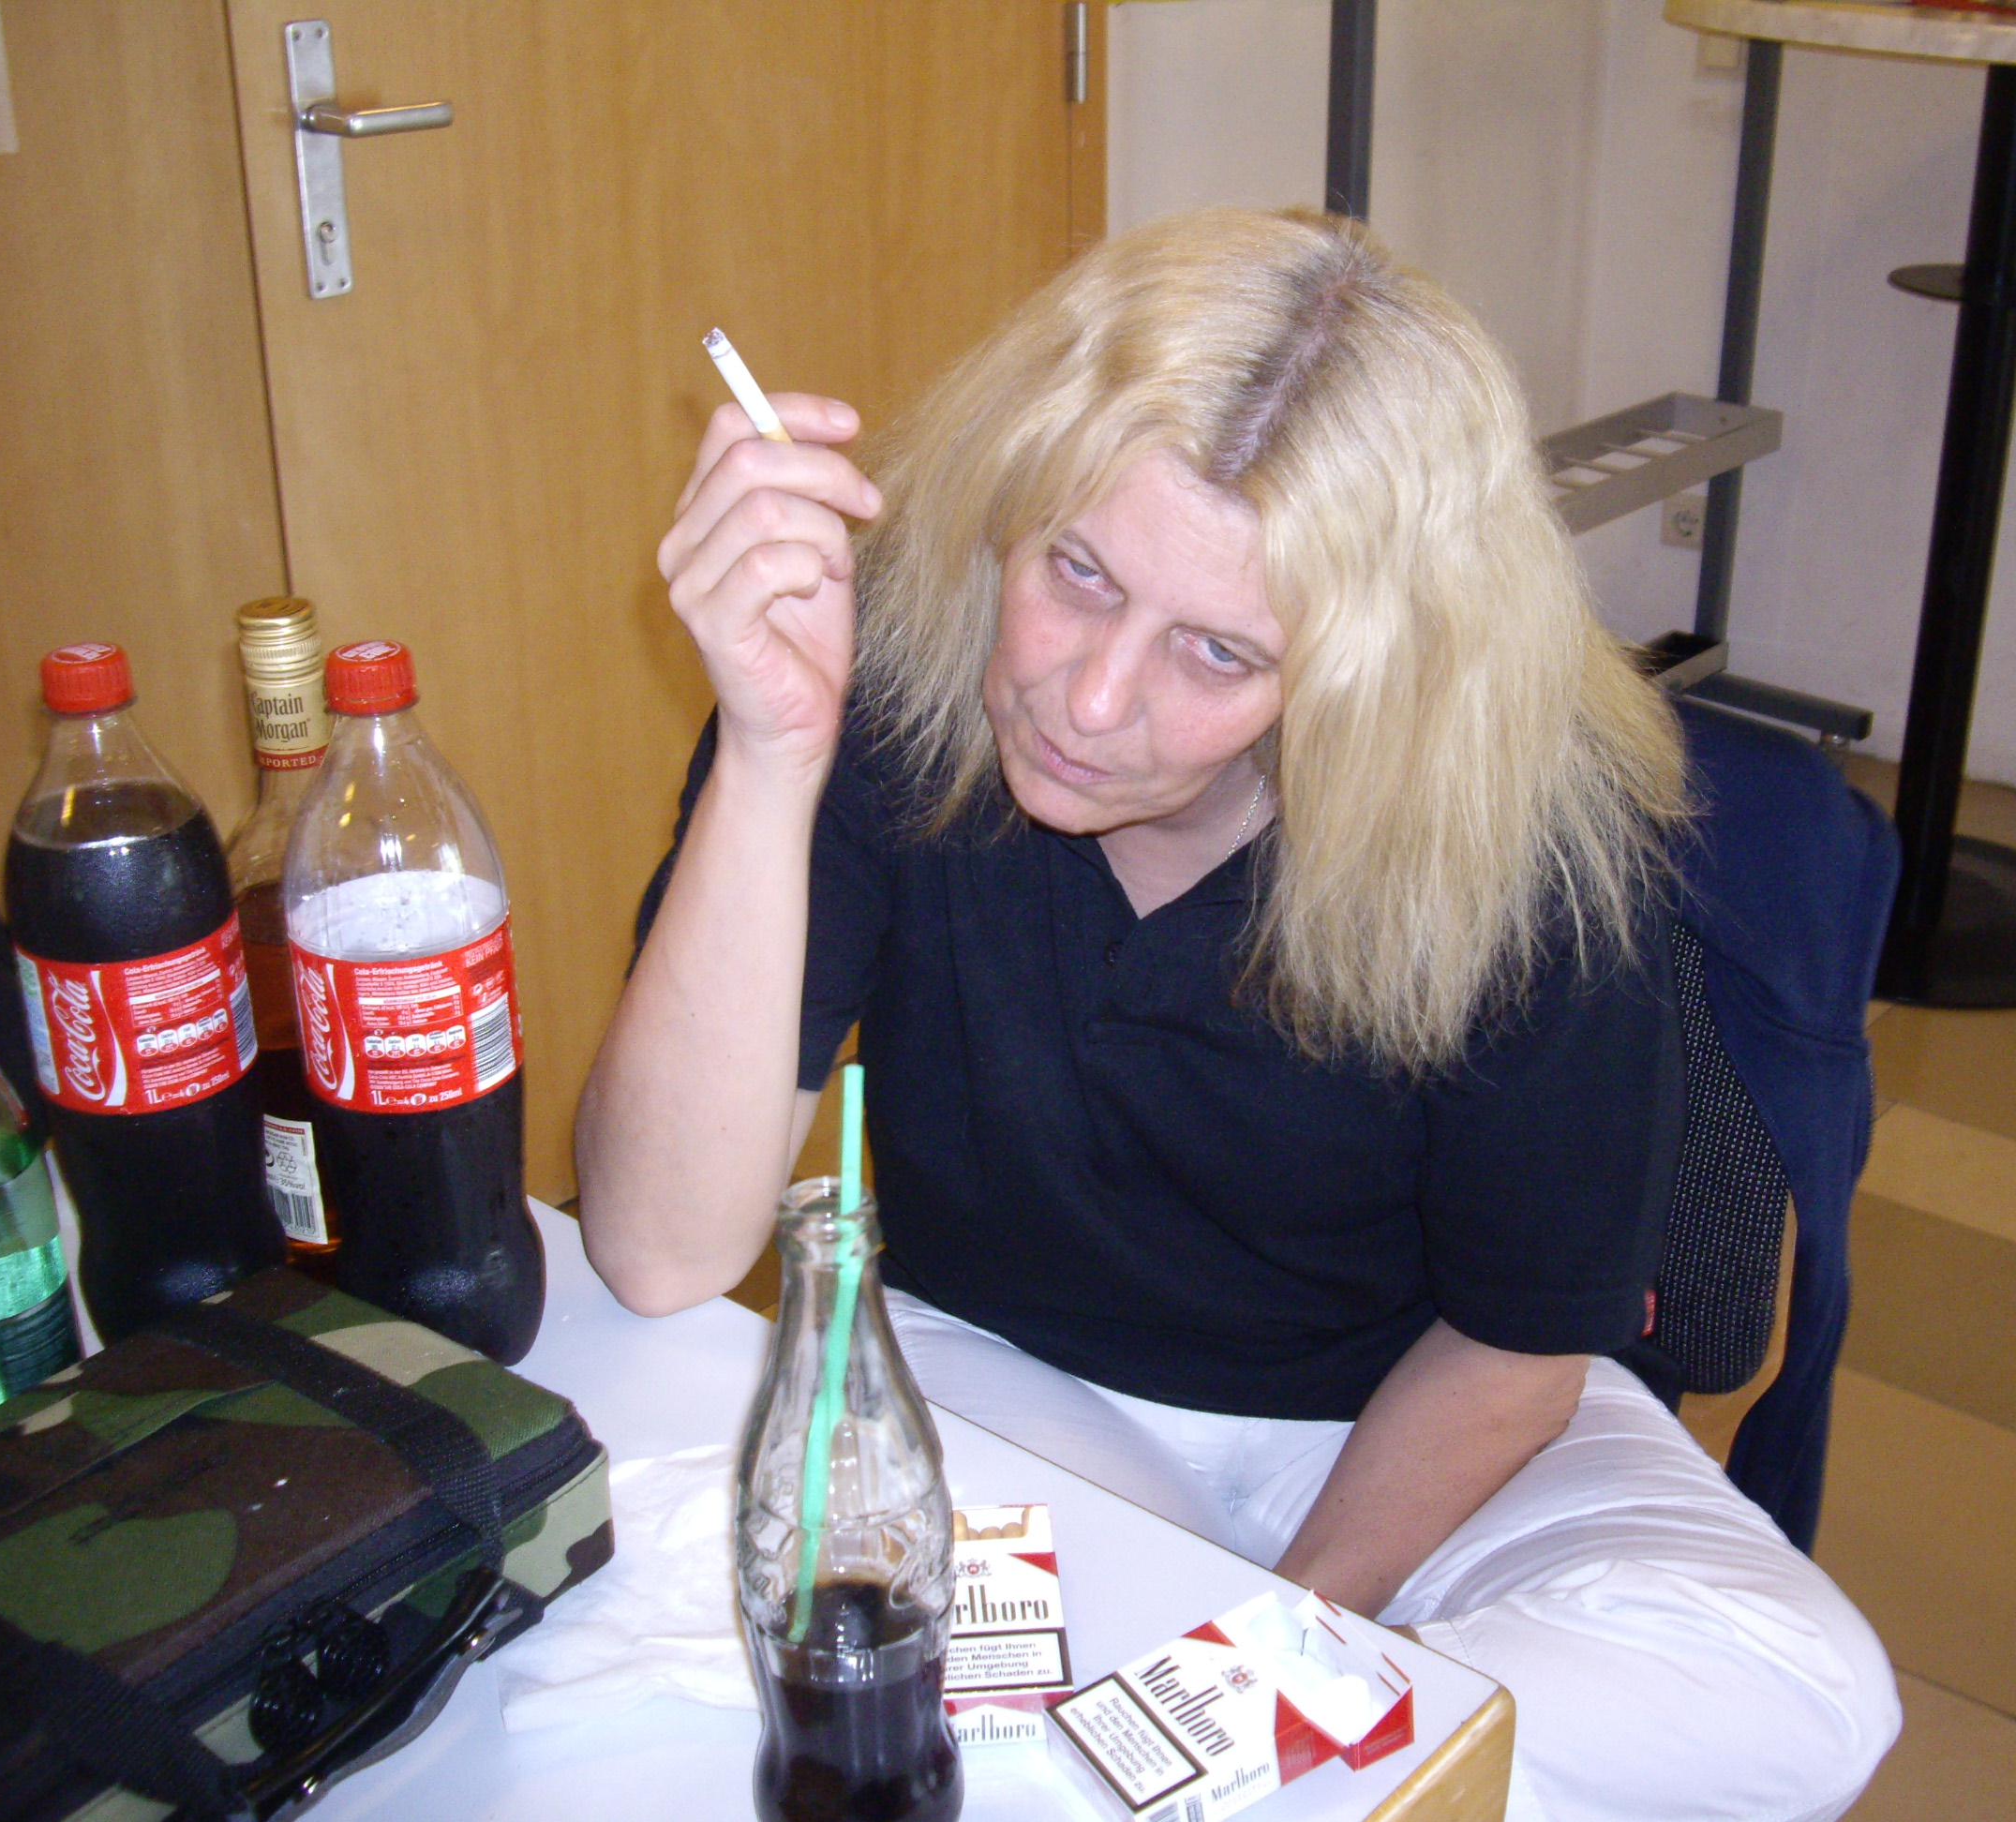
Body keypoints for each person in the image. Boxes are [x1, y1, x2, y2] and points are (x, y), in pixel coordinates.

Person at [577, 208, 1898, 1821]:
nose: (1090, 698)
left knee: (1806, 1697)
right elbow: (657, 1253)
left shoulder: (1517, 835)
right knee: (838, 1672)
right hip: (1011, 1382)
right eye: (1076, 571)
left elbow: (1512, 1351)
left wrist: (1272, 1649)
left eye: (1215, 652)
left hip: (1417, 1422)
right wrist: (771, 754)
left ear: (1369, 670)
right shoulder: (890, 682)